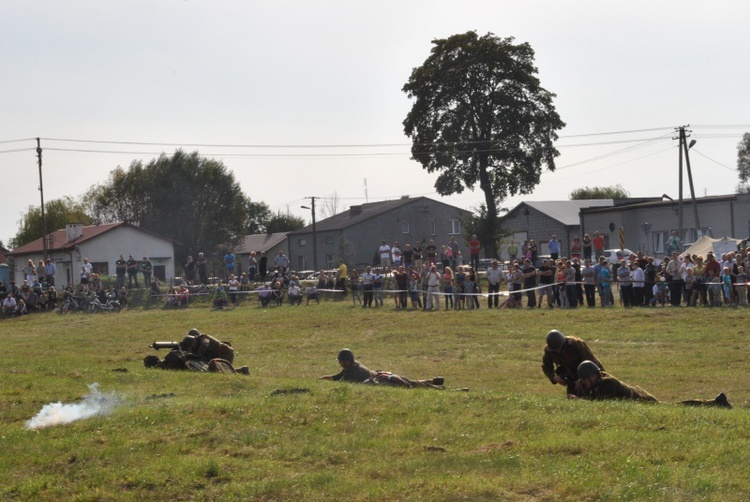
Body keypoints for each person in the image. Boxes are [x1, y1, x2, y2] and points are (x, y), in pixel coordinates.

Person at [571, 361, 731, 408]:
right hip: (637, 395)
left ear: (592, 376)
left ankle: (715, 402)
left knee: (675, 407)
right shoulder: (599, 380)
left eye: (585, 379)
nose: (584, 383)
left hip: (642, 399)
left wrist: (579, 400)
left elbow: (600, 405)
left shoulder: (607, 383)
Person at [320, 348, 444, 389]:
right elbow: (337, 377)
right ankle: (432, 381)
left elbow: (341, 383)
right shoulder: (354, 365)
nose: (340, 364)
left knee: (408, 386)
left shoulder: (353, 372)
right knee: (411, 382)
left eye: (342, 361)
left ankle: (436, 387)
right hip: (381, 375)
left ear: (346, 361)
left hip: (381, 381)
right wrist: (323, 378)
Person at [542, 329, 604, 396]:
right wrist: (554, 377)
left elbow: (592, 362)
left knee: (595, 396)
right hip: (572, 378)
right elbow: (547, 366)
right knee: (571, 398)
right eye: (555, 350)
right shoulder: (549, 351)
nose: (558, 351)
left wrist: (582, 380)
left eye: (559, 348)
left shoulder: (576, 344)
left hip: (591, 376)